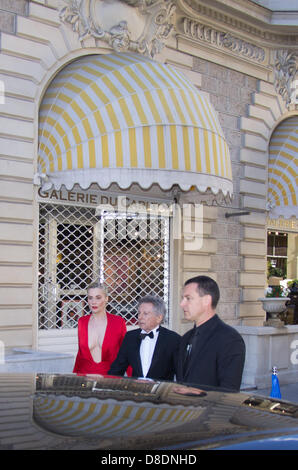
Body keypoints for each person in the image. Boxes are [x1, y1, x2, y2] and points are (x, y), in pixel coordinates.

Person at [177, 276, 245, 391]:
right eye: (182, 298)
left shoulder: (229, 339)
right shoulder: (186, 338)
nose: (182, 304)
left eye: (188, 298)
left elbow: (228, 391)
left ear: (206, 300)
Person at [108, 295, 181, 381]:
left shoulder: (173, 339)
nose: (139, 317)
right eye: (139, 313)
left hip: (161, 393)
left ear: (159, 318)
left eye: (145, 314)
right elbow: (117, 369)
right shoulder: (130, 337)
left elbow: (180, 374)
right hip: (136, 392)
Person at [73, 281, 127, 375]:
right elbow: (80, 355)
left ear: (106, 298)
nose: (93, 302)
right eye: (90, 298)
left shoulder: (118, 322)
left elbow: (127, 353)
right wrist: (74, 378)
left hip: (111, 378)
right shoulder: (82, 322)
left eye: (98, 298)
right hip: (85, 378)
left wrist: (135, 380)